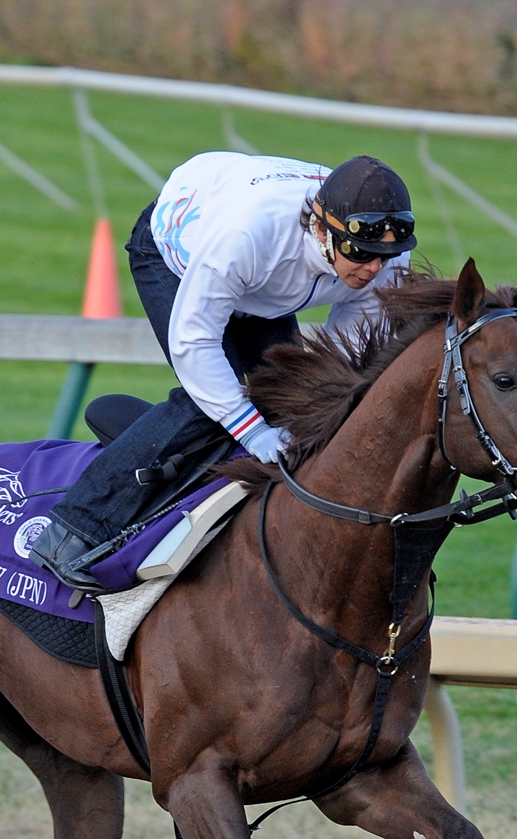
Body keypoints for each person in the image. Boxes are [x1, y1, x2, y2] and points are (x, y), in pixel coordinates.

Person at [30, 151, 417, 589]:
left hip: (264, 284)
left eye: (384, 256)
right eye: (360, 252)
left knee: (293, 401)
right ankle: (74, 530)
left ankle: (194, 472)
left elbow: (343, 356)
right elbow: (194, 344)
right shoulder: (249, 235)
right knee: (212, 404)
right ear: (324, 230)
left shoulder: (384, 259)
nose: (372, 268)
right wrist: (249, 431)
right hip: (177, 256)